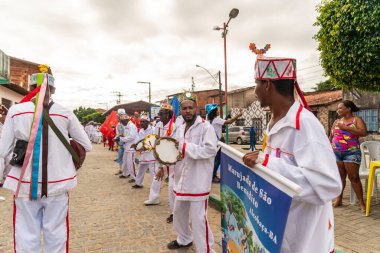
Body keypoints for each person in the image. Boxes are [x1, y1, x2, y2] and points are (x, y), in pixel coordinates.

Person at [242, 57, 342, 253]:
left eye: (256, 84)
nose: (254, 91)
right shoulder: (273, 122)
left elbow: (330, 185)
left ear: (268, 85)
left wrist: (267, 163)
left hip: (305, 239)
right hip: (280, 229)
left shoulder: (305, 125)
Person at [0, 68, 92, 252]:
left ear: (30, 88)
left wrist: (19, 158)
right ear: (54, 89)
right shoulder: (65, 112)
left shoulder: (16, 111)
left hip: (24, 185)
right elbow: (87, 145)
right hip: (58, 185)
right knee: (56, 234)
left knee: (25, 234)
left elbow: (3, 150)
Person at [167, 96, 218, 252]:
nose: (187, 111)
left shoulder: (206, 127)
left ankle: (207, 250)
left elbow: (210, 150)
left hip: (198, 181)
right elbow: (173, 150)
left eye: (191, 108)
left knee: (198, 220)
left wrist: (184, 147)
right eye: (184, 108)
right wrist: (164, 165)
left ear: (197, 109)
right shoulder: (180, 128)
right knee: (178, 214)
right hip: (181, 178)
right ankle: (184, 239)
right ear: (180, 111)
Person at [330, 100, 368, 212]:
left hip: (351, 153)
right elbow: (331, 136)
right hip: (336, 153)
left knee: (354, 177)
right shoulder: (336, 121)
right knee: (340, 177)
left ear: (348, 108)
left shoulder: (356, 120)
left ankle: (361, 203)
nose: (338, 110)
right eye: (337, 108)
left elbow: (363, 133)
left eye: (340, 108)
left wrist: (346, 128)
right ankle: (339, 198)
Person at [144, 103, 177, 223]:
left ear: (168, 115)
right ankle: (154, 198)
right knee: (156, 178)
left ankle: (175, 212)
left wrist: (164, 164)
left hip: (170, 159)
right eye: (159, 113)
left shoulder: (173, 127)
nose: (159, 116)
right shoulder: (157, 125)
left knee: (172, 186)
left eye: (162, 113)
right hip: (159, 156)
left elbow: (170, 145)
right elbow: (155, 139)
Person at [205, 103, 242, 183]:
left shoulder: (210, 121)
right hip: (219, 143)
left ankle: (213, 175)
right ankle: (212, 176)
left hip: (215, 142)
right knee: (218, 160)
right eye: (217, 110)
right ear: (214, 112)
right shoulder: (217, 120)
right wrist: (238, 116)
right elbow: (230, 121)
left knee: (216, 160)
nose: (218, 111)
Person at [132, 115, 155, 188]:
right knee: (141, 168)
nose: (141, 123)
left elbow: (154, 140)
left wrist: (145, 147)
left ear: (148, 122)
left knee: (152, 171)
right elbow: (139, 140)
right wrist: (135, 145)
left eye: (143, 122)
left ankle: (154, 186)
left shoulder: (153, 129)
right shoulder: (141, 130)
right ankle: (138, 183)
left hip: (151, 153)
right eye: (141, 121)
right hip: (143, 153)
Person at [119, 114, 138, 182]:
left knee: (130, 163)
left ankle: (135, 178)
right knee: (125, 162)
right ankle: (125, 174)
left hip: (131, 147)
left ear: (126, 120)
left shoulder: (131, 126)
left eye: (122, 121)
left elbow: (131, 137)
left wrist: (121, 139)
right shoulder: (126, 126)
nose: (121, 123)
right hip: (127, 147)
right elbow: (126, 135)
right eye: (121, 121)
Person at [114, 109, 126, 175]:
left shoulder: (127, 124)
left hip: (126, 143)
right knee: (120, 156)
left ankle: (126, 171)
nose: (118, 117)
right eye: (118, 115)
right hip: (121, 143)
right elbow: (117, 134)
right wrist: (116, 140)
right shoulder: (118, 124)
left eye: (120, 115)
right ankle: (121, 169)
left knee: (126, 158)